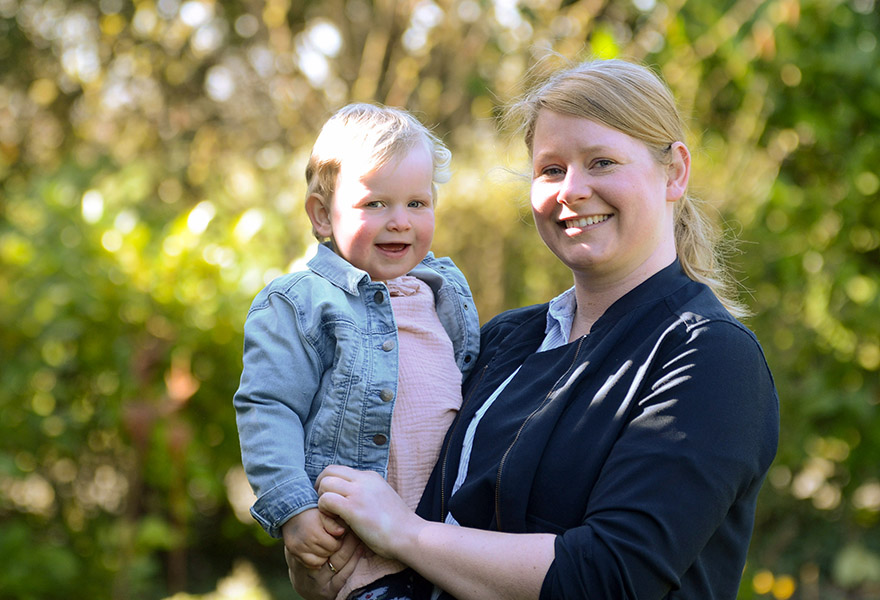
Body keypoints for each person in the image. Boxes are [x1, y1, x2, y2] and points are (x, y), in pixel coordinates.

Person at [288, 58, 780, 600]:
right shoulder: (504, 341)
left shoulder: (708, 357)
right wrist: (328, 554)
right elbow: (419, 518)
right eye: (550, 169)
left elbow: (609, 576)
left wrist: (404, 534)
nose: (572, 189)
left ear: (675, 172)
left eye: (601, 161)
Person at [233, 103, 480, 600]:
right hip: (358, 561)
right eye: (375, 204)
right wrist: (295, 509)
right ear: (323, 214)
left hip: (446, 545)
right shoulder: (302, 302)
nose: (400, 222)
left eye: (417, 203)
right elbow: (268, 407)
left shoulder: (444, 291)